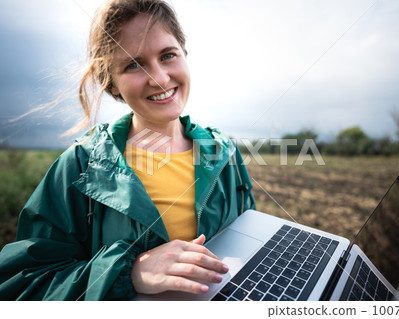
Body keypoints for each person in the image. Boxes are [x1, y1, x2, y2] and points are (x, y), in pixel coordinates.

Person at [0, 0, 255, 300]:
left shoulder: (225, 153)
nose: (159, 78)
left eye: (168, 55)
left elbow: (248, 242)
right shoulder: (80, 165)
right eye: (133, 64)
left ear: (184, 55)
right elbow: (25, 283)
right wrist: (128, 272)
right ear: (112, 85)